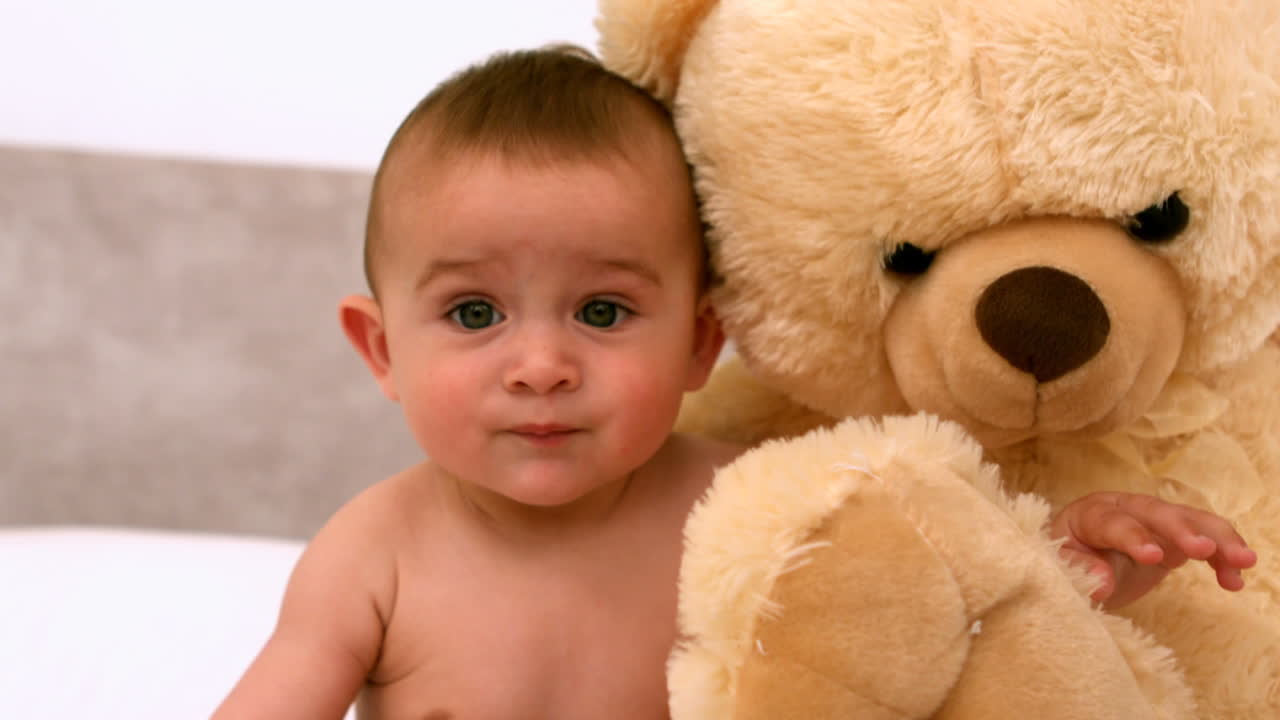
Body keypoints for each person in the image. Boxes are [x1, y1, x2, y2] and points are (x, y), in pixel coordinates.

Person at [213, 46, 1256, 720]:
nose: (540, 366)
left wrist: (1075, 557)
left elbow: (953, 599)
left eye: (603, 312)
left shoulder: (753, 502)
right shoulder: (374, 553)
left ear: (699, 344)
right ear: (382, 349)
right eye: (474, 315)